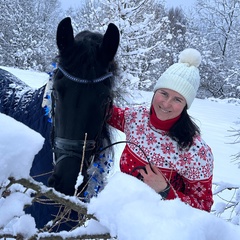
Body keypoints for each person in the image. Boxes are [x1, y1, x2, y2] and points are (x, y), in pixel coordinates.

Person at [108, 48, 214, 212]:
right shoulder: (136, 118)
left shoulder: (196, 151)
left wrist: (165, 191)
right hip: (122, 210)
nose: (166, 103)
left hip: (163, 226)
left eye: (177, 99)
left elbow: (203, 207)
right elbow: (106, 113)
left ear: (186, 105)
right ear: (155, 91)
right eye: (163, 93)